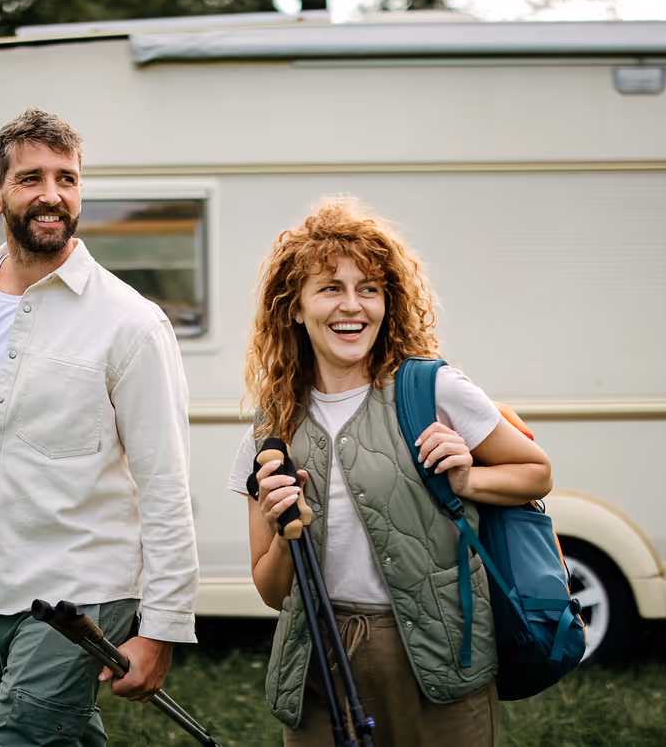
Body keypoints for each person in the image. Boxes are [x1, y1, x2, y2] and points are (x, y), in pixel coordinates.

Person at [0, 108, 199, 747]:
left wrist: (162, 628)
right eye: (31, 179)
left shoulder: (131, 323)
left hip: (82, 591)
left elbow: (165, 486)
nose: (52, 195)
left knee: (16, 739)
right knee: (65, 736)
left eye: (67, 178)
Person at [227, 198, 552, 747]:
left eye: (369, 289)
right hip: (321, 666)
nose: (351, 306)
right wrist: (287, 535)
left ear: (387, 303)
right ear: (295, 307)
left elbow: (536, 473)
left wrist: (468, 480)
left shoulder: (432, 392)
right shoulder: (270, 432)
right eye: (330, 287)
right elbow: (270, 590)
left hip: (439, 654)